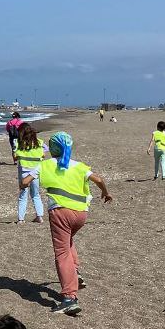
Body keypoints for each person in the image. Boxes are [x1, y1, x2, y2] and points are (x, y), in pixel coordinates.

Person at [20, 131, 113, 315]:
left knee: (61, 252)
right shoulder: (78, 166)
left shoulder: (45, 165)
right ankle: (75, 273)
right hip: (81, 214)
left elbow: (24, 182)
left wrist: (26, 181)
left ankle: (69, 298)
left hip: (60, 212)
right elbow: (99, 179)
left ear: (53, 148)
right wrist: (106, 192)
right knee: (68, 241)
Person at [14, 122, 47, 224]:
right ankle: (39, 216)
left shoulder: (18, 143)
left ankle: (21, 219)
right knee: (36, 194)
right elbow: (44, 154)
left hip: (24, 171)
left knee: (23, 194)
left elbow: (15, 156)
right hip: (36, 172)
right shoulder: (40, 142)